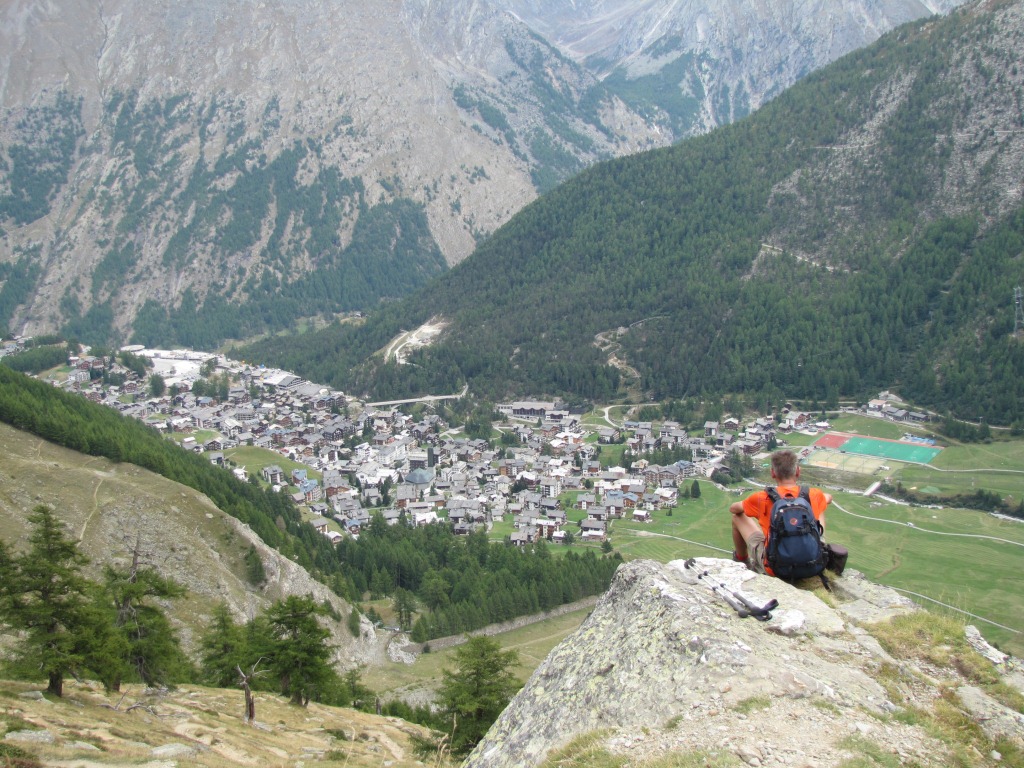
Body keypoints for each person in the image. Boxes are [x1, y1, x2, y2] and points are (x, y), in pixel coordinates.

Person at [729, 449, 832, 576]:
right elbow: (829, 498)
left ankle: (742, 561)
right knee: (820, 509)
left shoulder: (761, 497)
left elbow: (734, 509)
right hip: (812, 562)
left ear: (773, 473)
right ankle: (818, 545)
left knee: (737, 518)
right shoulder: (814, 494)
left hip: (775, 568)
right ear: (798, 471)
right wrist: (824, 497)